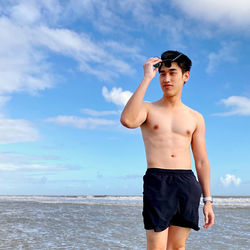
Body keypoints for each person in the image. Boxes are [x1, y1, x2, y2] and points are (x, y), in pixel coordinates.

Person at [120, 50, 215, 250]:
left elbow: (202, 161)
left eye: (172, 73)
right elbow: (127, 120)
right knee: (156, 248)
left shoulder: (195, 117)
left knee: (177, 247)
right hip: (158, 181)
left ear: (185, 76)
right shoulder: (147, 109)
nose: (166, 79)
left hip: (186, 183)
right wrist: (147, 78)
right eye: (162, 73)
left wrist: (208, 200)